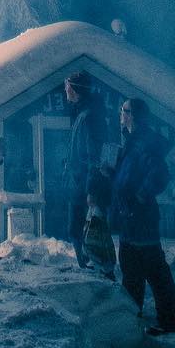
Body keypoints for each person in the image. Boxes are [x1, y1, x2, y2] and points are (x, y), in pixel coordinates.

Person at [109, 96, 175, 335]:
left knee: (153, 270)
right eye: (122, 109)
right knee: (131, 269)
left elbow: (159, 174)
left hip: (141, 216)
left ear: (134, 116)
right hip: (129, 215)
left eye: (125, 110)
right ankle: (132, 318)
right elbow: (129, 174)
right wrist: (113, 175)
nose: (121, 113)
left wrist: (140, 196)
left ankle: (167, 320)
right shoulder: (131, 141)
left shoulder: (145, 143)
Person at [64, 71, 106, 268]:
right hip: (78, 182)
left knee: (82, 229)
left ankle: (90, 266)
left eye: (67, 87)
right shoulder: (83, 113)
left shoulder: (88, 117)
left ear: (72, 89)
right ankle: (87, 264)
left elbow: (93, 157)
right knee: (78, 228)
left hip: (83, 185)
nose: (66, 90)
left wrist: (91, 189)